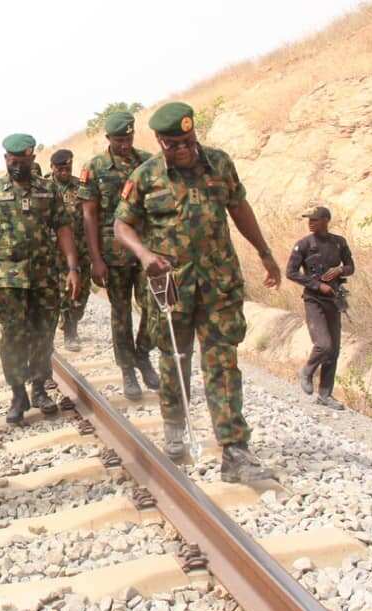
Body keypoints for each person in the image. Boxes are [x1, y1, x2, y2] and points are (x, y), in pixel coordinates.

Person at [114, 102, 280, 483]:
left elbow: (240, 208)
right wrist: (143, 254)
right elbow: (121, 227)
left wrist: (265, 252)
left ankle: (235, 451)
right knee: (175, 358)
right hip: (172, 286)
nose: (184, 150)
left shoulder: (219, 164)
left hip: (219, 283)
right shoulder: (146, 176)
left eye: (188, 141)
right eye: (174, 144)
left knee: (222, 362)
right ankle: (175, 431)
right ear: (159, 141)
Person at [0, 134, 81, 424]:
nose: (17, 165)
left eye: (22, 160)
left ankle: (39, 388)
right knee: (13, 337)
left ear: (33, 159)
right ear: (6, 159)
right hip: (9, 279)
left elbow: (63, 229)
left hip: (44, 276)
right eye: (12, 160)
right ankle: (18, 393)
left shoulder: (48, 191)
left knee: (44, 333)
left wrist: (73, 268)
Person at [79, 111, 159, 400]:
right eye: (119, 139)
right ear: (108, 139)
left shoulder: (149, 162)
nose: (125, 144)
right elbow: (89, 215)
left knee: (155, 307)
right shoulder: (95, 167)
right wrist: (95, 258)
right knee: (121, 313)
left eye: (128, 138)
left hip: (146, 248)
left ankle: (143, 354)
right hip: (113, 253)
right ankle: (127, 370)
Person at [287, 206, 354, 410]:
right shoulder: (304, 244)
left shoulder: (339, 242)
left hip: (334, 300)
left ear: (326, 220)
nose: (310, 222)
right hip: (314, 300)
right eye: (309, 219)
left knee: (333, 350)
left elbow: (351, 267)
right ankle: (307, 371)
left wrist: (340, 269)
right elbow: (291, 272)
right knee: (323, 345)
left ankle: (325, 394)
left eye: (315, 219)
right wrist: (317, 285)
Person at [48, 149, 90, 353]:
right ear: (52, 167)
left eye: (67, 168)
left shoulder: (81, 187)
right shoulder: (45, 188)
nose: (64, 172)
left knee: (83, 291)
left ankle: (71, 320)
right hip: (53, 251)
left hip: (80, 248)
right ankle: (70, 330)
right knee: (64, 291)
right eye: (59, 168)